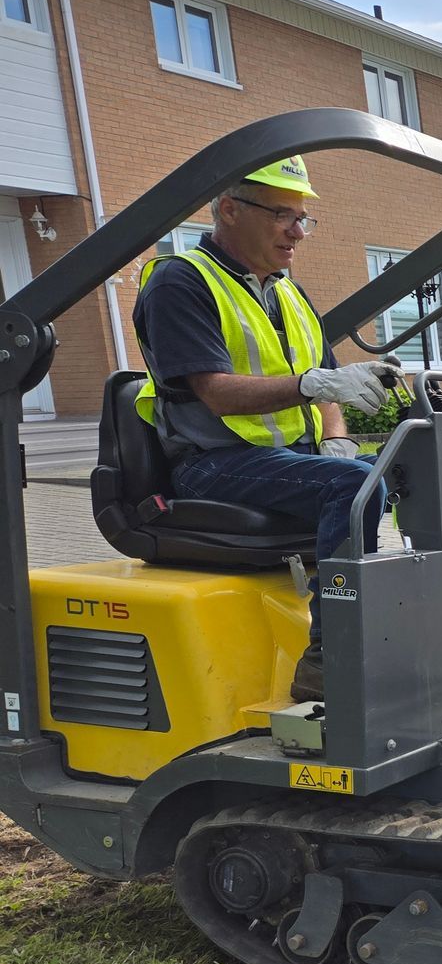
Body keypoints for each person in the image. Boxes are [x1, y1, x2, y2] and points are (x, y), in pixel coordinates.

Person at [131, 155, 399, 702]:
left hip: (290, 461)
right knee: (351, 486)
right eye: (283, 215)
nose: (298, 231)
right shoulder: (180, 283)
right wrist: (315, 388)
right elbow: (215, 391)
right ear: (230, 210)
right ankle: (333, 654)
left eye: (303, 218)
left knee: (405, 467)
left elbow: (327, 382)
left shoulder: (287, 291)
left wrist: (338, 438)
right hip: (213, 464)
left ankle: (412, 621)